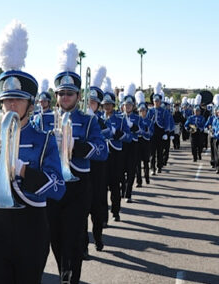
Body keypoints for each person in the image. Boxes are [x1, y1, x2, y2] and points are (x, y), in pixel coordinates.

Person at [0, 20, 66, 284]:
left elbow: (58, 188)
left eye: (17, 99)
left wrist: (23, 169)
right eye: (6, 100)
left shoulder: (44, 140)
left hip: (31, 226)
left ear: (29, 103)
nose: (11, 104)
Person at [46, 41, 108, 284]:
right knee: (56, 241)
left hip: (78, 186)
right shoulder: (45, 120)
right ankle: (65, 274)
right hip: (51, 187)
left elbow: (102, 151)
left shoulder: (89, 120)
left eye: (69, 93)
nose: (64, 97)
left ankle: (69, 279)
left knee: (72, 242)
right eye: (60, 93)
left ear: (78, 95)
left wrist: (75, 146)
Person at [84, 66, 111, 252]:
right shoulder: (78, 119)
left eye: (93, 103)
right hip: (81, 169)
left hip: (98, 168)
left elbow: (103, 149)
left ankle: (98, 236)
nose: (90, 105)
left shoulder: (102, 122)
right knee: (81, 210)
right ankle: (83, 245)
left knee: (98, 206)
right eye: (88, 101)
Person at [101, 81, 130, 223]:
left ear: (113, 105)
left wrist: (116, 133)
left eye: (109, 104)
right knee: (101, 189)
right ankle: (103, 217)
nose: (107, 106)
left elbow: (129, 137)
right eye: (105, 104)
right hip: (101, 156)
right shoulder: (97, 118)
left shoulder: (120, 119)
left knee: (115, 186)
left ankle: (115, 211)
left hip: (116, 155)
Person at [121, 83, 140, 203]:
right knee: (121, 170)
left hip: (133, 145)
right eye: (125, 104)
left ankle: (128, 193)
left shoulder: (137, 118)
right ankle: (123, 189)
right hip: (122, 145)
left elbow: (141, 130)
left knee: (131, 170)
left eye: (130, 104)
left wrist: (133, 126)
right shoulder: (119, 117)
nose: (127, 106)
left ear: (133, 106)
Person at [147, 82, 170, 175]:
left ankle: (159, 166)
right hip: (152, 132)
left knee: (160, 151)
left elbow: (167, 122)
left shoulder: (164, 111)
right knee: (152, 152)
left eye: (158, 101)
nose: (156, 102)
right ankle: (152, 168)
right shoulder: (150, 110)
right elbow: (147, 120)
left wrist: (166, 133)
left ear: (160, 102)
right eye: (155, 101)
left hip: (160, 132)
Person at [135, 91, 154, 187]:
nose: (142, 112)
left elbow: (151, 133)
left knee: (146, 162)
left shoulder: (150, 122)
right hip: (138, 143)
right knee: (137, 163)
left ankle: (146, 176)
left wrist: (144, 132)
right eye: (140, 110)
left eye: (144, 110)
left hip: (146, 143)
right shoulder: (136, 121)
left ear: (146, 111)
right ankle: (139, 181)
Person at [184, 94, 206, 162]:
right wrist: (189, 129)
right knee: (193, 146)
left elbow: (203, 125)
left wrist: (200, 129)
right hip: (193, 133)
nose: (197, 112)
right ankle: (194, 157)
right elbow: (186, 125)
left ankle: (199, 153)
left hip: (199, 134)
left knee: (200, 146)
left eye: (198, 111)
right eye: (195, 111)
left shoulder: (202, 118)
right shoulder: (190, 118)